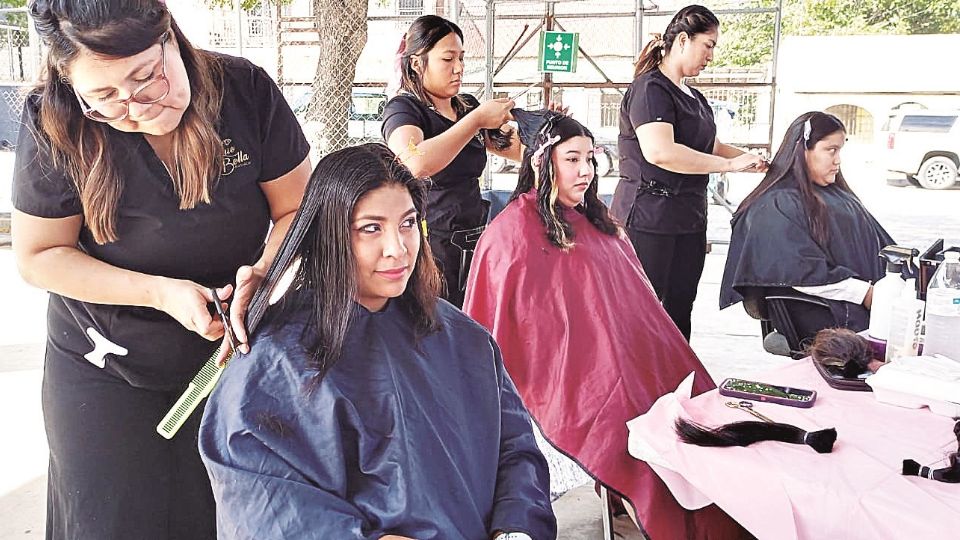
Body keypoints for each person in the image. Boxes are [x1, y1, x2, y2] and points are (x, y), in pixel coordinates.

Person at [10, 1, 310, 538]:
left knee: (227, 515)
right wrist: (159, 293)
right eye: (103, 98)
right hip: (106, 365)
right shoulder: (52, 118)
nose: (136, 105)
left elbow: (297, 209)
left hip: (233, 355)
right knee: (112, 521)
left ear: (168, 34)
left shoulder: (244, 91)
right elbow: (38, 255)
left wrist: (265, 272)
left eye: (146, 76)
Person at [199, 143, 556, 540]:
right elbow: (266, 503)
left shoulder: (465, 340)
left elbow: (517, 451)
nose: (398, 249)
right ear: (328, 235)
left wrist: (515, 531)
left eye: (407, 223)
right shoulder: (276, 360)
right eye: (371, 228)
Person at [464, 114, 747, 539]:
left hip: (630, 366)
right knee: (630, 427)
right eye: (572, 159)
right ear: (542, 163)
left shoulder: (600, 224)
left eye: (590, 159)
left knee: (687, 418)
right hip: (564, 383)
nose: (585, 170)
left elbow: (637, 312)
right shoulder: (511, 236)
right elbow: (502, 329)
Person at [610, 4, 767, 340]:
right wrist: (728, 165)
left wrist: (753, 161)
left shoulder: (694, 97)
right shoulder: (650, 90)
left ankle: (677, 384)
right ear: (683, 40)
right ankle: (640, 388)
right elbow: (660, 152)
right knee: (642, 312)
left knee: (680, 308)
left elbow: (711, 145)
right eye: (708, 45)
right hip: (649, 218)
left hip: (688, 218)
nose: (711, 56)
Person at [382, 14, 521, 308]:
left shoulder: (466, 106)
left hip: (475, 236)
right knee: (436, 324)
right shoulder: (404, 109)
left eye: (461, 58)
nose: (458, 68)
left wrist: (549, 134)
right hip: (432, 244)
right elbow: (414, 162)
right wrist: (476, 121)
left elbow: (512, 148)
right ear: (418, 64)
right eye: (448, 59)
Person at [721, 111, 895, 343]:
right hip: (826, 317)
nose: (838, 160)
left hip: (868, 305)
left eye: (839, 151)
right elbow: (796, 269)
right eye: (830, 150)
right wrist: (865, 293)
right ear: (802, 150)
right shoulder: (776, 204)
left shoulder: (836, 194)